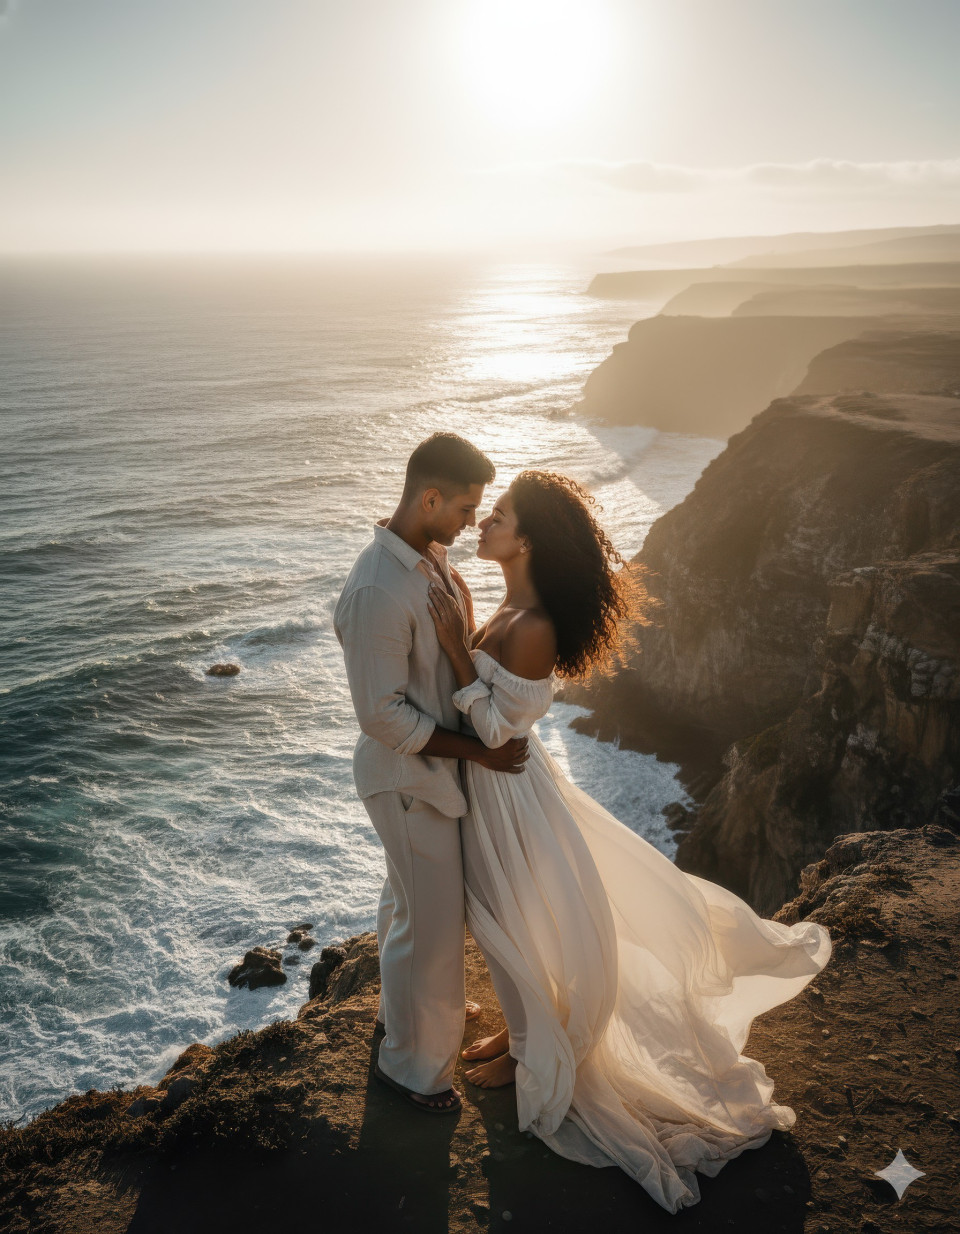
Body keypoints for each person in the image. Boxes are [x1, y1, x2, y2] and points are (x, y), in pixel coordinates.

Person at [426, 469, 833, 1211]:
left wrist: (457, 652)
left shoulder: (535, 625)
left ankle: (529, 1054)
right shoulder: (508, 609)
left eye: (501, 516)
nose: (484, 522)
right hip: (496, 793)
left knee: (512, 919)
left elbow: (495, 731)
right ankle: (526, 1037)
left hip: (511, 798)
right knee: (498, 920)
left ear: (529, 541)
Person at [333, 433, 530, 1115]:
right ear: (429, 497)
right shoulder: (376, 590)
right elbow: (381, 716)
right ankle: (414, 1073)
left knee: (408, 911)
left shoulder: (429, 558)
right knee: (434, 930)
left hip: (430, 776)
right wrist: (479, 752)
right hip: (408, 781)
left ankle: (404, 1021)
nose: (473, 522)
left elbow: (446, 666)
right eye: (467, 508)